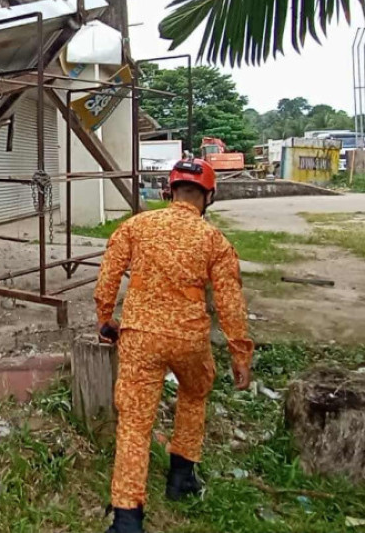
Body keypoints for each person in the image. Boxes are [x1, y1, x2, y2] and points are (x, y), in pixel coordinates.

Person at [95, 158, 254, 533]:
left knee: (135, 422)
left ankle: (127, 518)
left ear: (169, 191)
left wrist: (105, 318)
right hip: (189, 340)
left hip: (139, 336)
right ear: (208, 196)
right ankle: (181, 477)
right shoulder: (215, 240)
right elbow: (231, 301)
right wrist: (239, 354)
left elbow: (108, 277)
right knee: (195, 391)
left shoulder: (136, 226)